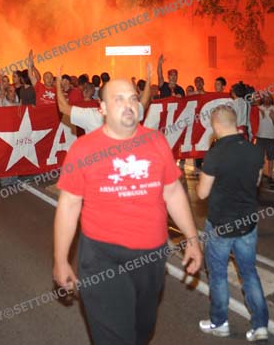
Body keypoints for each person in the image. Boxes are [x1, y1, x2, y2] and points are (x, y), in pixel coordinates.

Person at [53, 79, 203, 344]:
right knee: (115, 336)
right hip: (102, 258)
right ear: (102, 108)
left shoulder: (156, 142)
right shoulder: (84, 149)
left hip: (151, 256)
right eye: (119, 99)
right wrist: (61, 259)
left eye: (133, 98)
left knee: (142, 330)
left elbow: (173, 192)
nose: (129, 104)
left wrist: (192, 239)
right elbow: (69, 205)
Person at [196, 106, 269, 341]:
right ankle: (260, 326)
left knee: (217, 275)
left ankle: (220, 323)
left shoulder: (215, 154)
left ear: (215, 126)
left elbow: (202, 193)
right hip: (248, 222)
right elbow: (256, 181)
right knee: (249, 273)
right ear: (235, 123)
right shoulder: (255, 150)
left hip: (220, 225)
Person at [255, 94, 274, 181]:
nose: (267, 99)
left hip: (271, 137)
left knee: (271, 158)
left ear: (271, 99)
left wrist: (273, 117)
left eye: (268, 98)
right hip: (259, 136)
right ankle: (259, 176)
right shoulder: (258, 108)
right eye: (265, 98)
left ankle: (270, 176)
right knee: (259, 158)